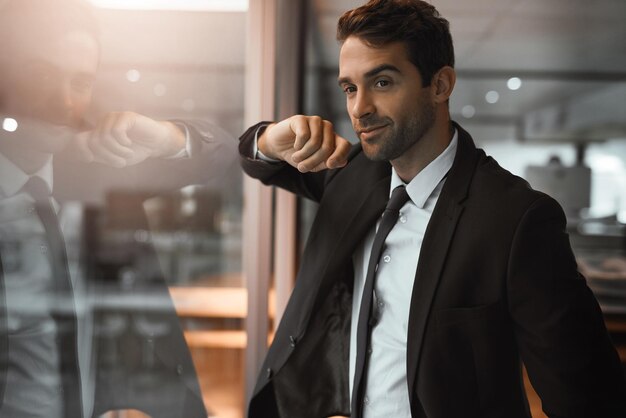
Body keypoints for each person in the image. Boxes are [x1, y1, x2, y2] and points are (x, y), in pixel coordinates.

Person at [239, 0, 626, 417]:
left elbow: (590, 398)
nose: (359, 109)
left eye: (382, 82)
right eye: (350, 88)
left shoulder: (516, 219)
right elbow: (258, 162)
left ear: (440, 85)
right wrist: (269, 138)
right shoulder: (349, 174)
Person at [0, 0, 238, 417]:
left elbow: (222, 153)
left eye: (80, 82)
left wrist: (164, 136)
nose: (62, 102)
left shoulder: (94, 173)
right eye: (42, 75)